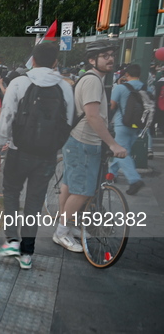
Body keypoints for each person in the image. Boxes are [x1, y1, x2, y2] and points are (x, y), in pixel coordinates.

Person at [0, 42, 74, 269]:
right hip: (47, 156)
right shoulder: (65, 87)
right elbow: (68, 121)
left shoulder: (19, 83)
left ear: (33, 60)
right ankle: (27, 254)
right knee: (34, 203)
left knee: (10, 195)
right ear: (56, 61)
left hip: (19, 152)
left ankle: (12, 241)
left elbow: (6, 119)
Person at [54, 41, 127, 253]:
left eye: (111, 55)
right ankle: (61, 232)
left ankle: (64, 227)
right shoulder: (94, 81)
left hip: (77, 140)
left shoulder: (90, 78)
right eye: (105, 56)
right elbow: (93, 116)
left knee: (69, 185)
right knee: (83, 192)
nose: (110, 59)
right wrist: (112, 144)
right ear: (92, 60)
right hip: (85, 142)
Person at [108, 64, 146, 195]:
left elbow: (112, 105)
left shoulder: (120, 88)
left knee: (121, 153)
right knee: (124, 150)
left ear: (126, 75)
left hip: (122, 124)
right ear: (139, 74)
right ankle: (110, 175)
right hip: (138, 125)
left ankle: (134, 179)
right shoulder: (146, 88)